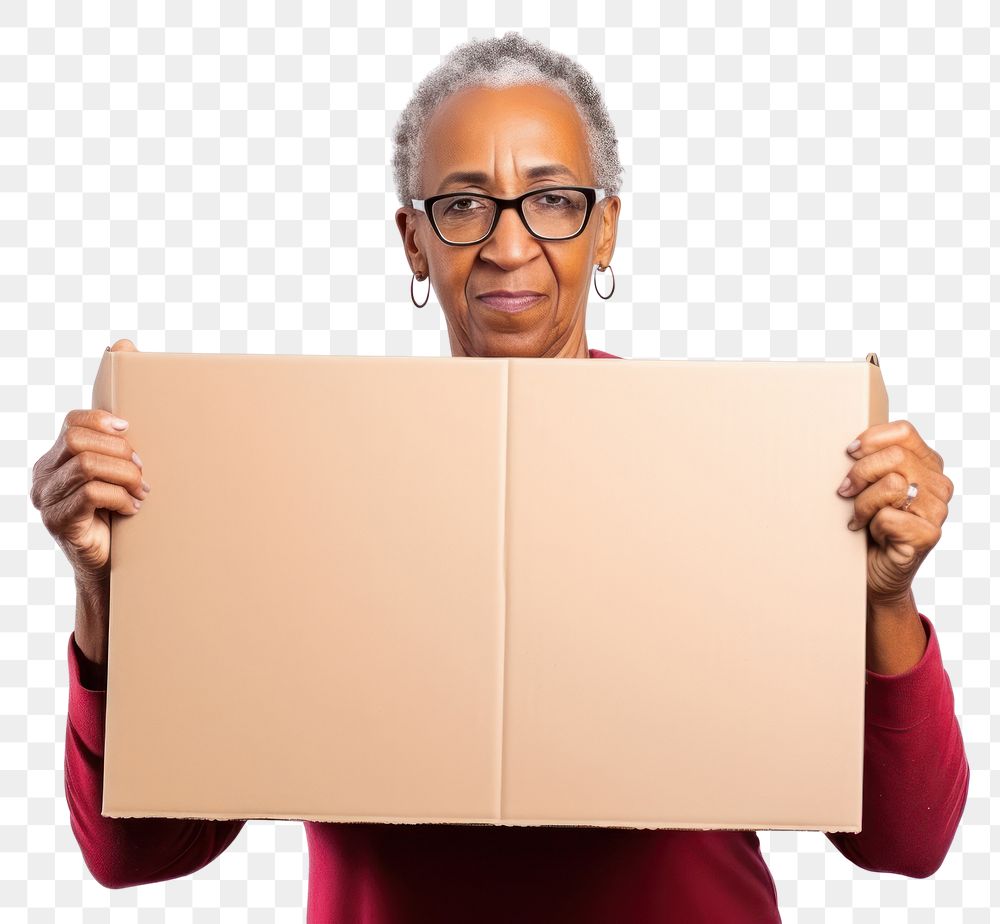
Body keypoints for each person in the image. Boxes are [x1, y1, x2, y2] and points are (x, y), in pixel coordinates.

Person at [32, 32, 969, 924]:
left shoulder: (730, 464)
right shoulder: (301, 479)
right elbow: (138, 852)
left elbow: (908, 845)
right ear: (414, 240)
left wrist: (885, 600)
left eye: (554, 199)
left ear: (604, 232)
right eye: (465, 203)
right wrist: (113, 589)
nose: (510, 244)